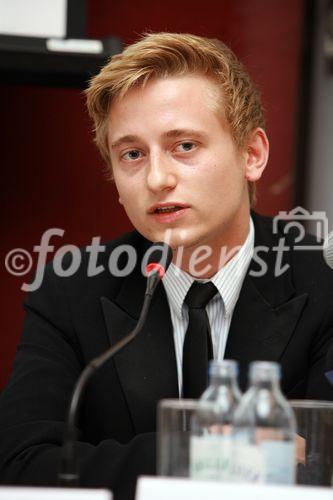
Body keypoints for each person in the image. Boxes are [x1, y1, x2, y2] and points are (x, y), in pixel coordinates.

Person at [0, 32, 333, 500]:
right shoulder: (70, 289)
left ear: (252, 155)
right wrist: (203, 452)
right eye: (132, 154)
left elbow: (326, 463)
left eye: (185, 146)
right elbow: (18, 464)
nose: (157, 178)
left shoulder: (324, 283)